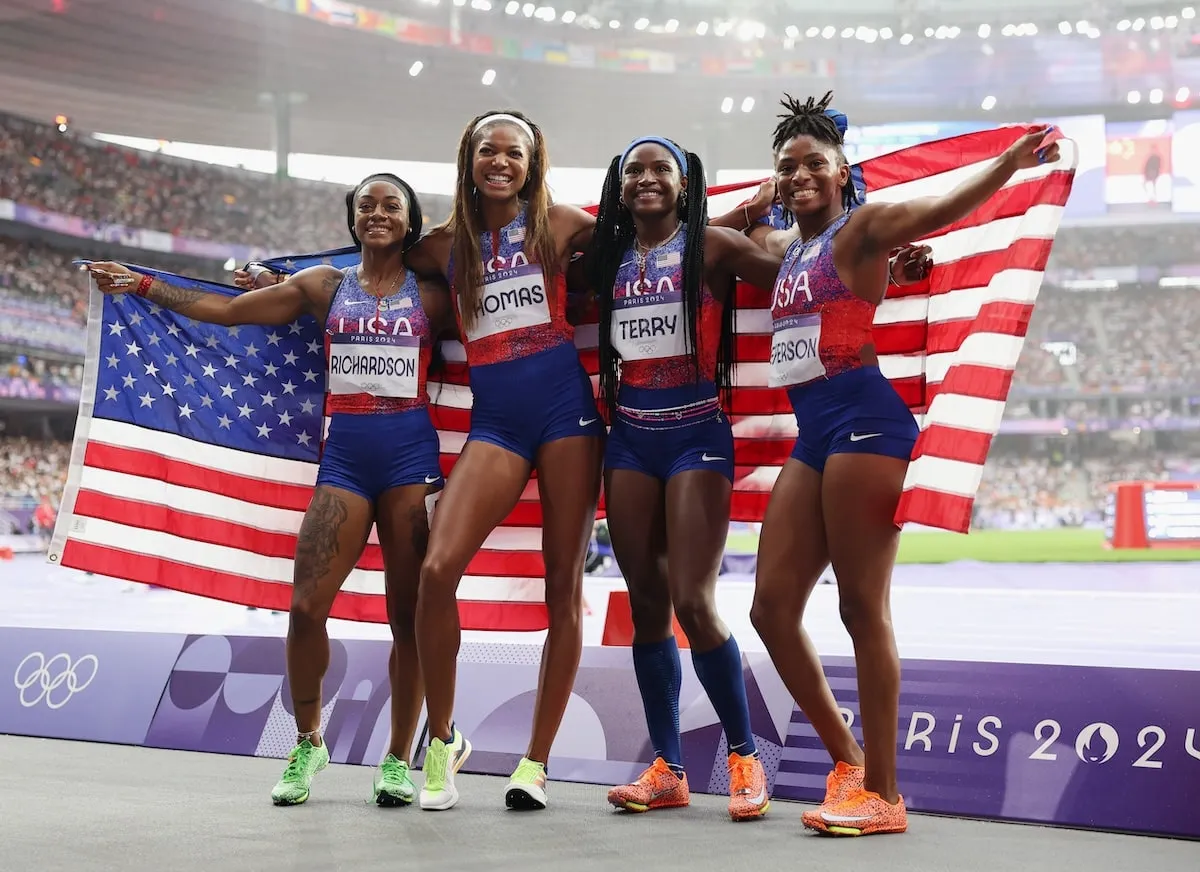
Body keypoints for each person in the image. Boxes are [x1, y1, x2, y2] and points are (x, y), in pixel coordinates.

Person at [745, 92, 1059, 836]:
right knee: (769, 608)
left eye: (813, 164)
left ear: (842, 171)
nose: (798, 175)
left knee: (861, 608)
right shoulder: (788, 253)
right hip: (814, 436)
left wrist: (1008, 165)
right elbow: (739, 240)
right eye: (787, 167)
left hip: (867, 427)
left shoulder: (866, 228)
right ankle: (848, 761)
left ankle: (884, 792)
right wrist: (761, 200)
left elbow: (939, 209)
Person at [85, 173, 453, 809]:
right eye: (366, 205)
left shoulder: (434, 295)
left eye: (392, 205)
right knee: (307, 607)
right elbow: (227, 312)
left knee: (408, 618)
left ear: (411, 220)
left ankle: (398, 759)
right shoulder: (323, 288)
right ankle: (309, 740)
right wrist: (142, 283)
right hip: (346, 463)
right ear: (352, 219)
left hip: (411, 463)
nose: (378, 213)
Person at [402, 110, 607, 812]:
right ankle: (443, 737)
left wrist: (763, 212)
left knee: (561, 589)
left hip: (567, 417)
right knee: (436, 567)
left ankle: (536, 763)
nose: (500, 161)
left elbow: (668, 234)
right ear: (469, 158)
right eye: (488, 150)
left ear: (531, 162)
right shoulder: (441, 247)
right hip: (497, 425)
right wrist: (267, 276)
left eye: (512, 152)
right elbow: (360, 263)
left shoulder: (563, 223)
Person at [586, 136, 787, 821]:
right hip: (630, 440)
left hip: (697, 431)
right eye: (634, 170)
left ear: (683, 182)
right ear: (619, 186)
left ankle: (743, 756)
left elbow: (794, 264)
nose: (646, 179)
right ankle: (668, 768)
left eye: (659, 169)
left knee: (693, 603)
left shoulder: (714, 247)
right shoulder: (604, 255)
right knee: (645, 605)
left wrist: (773, 218)